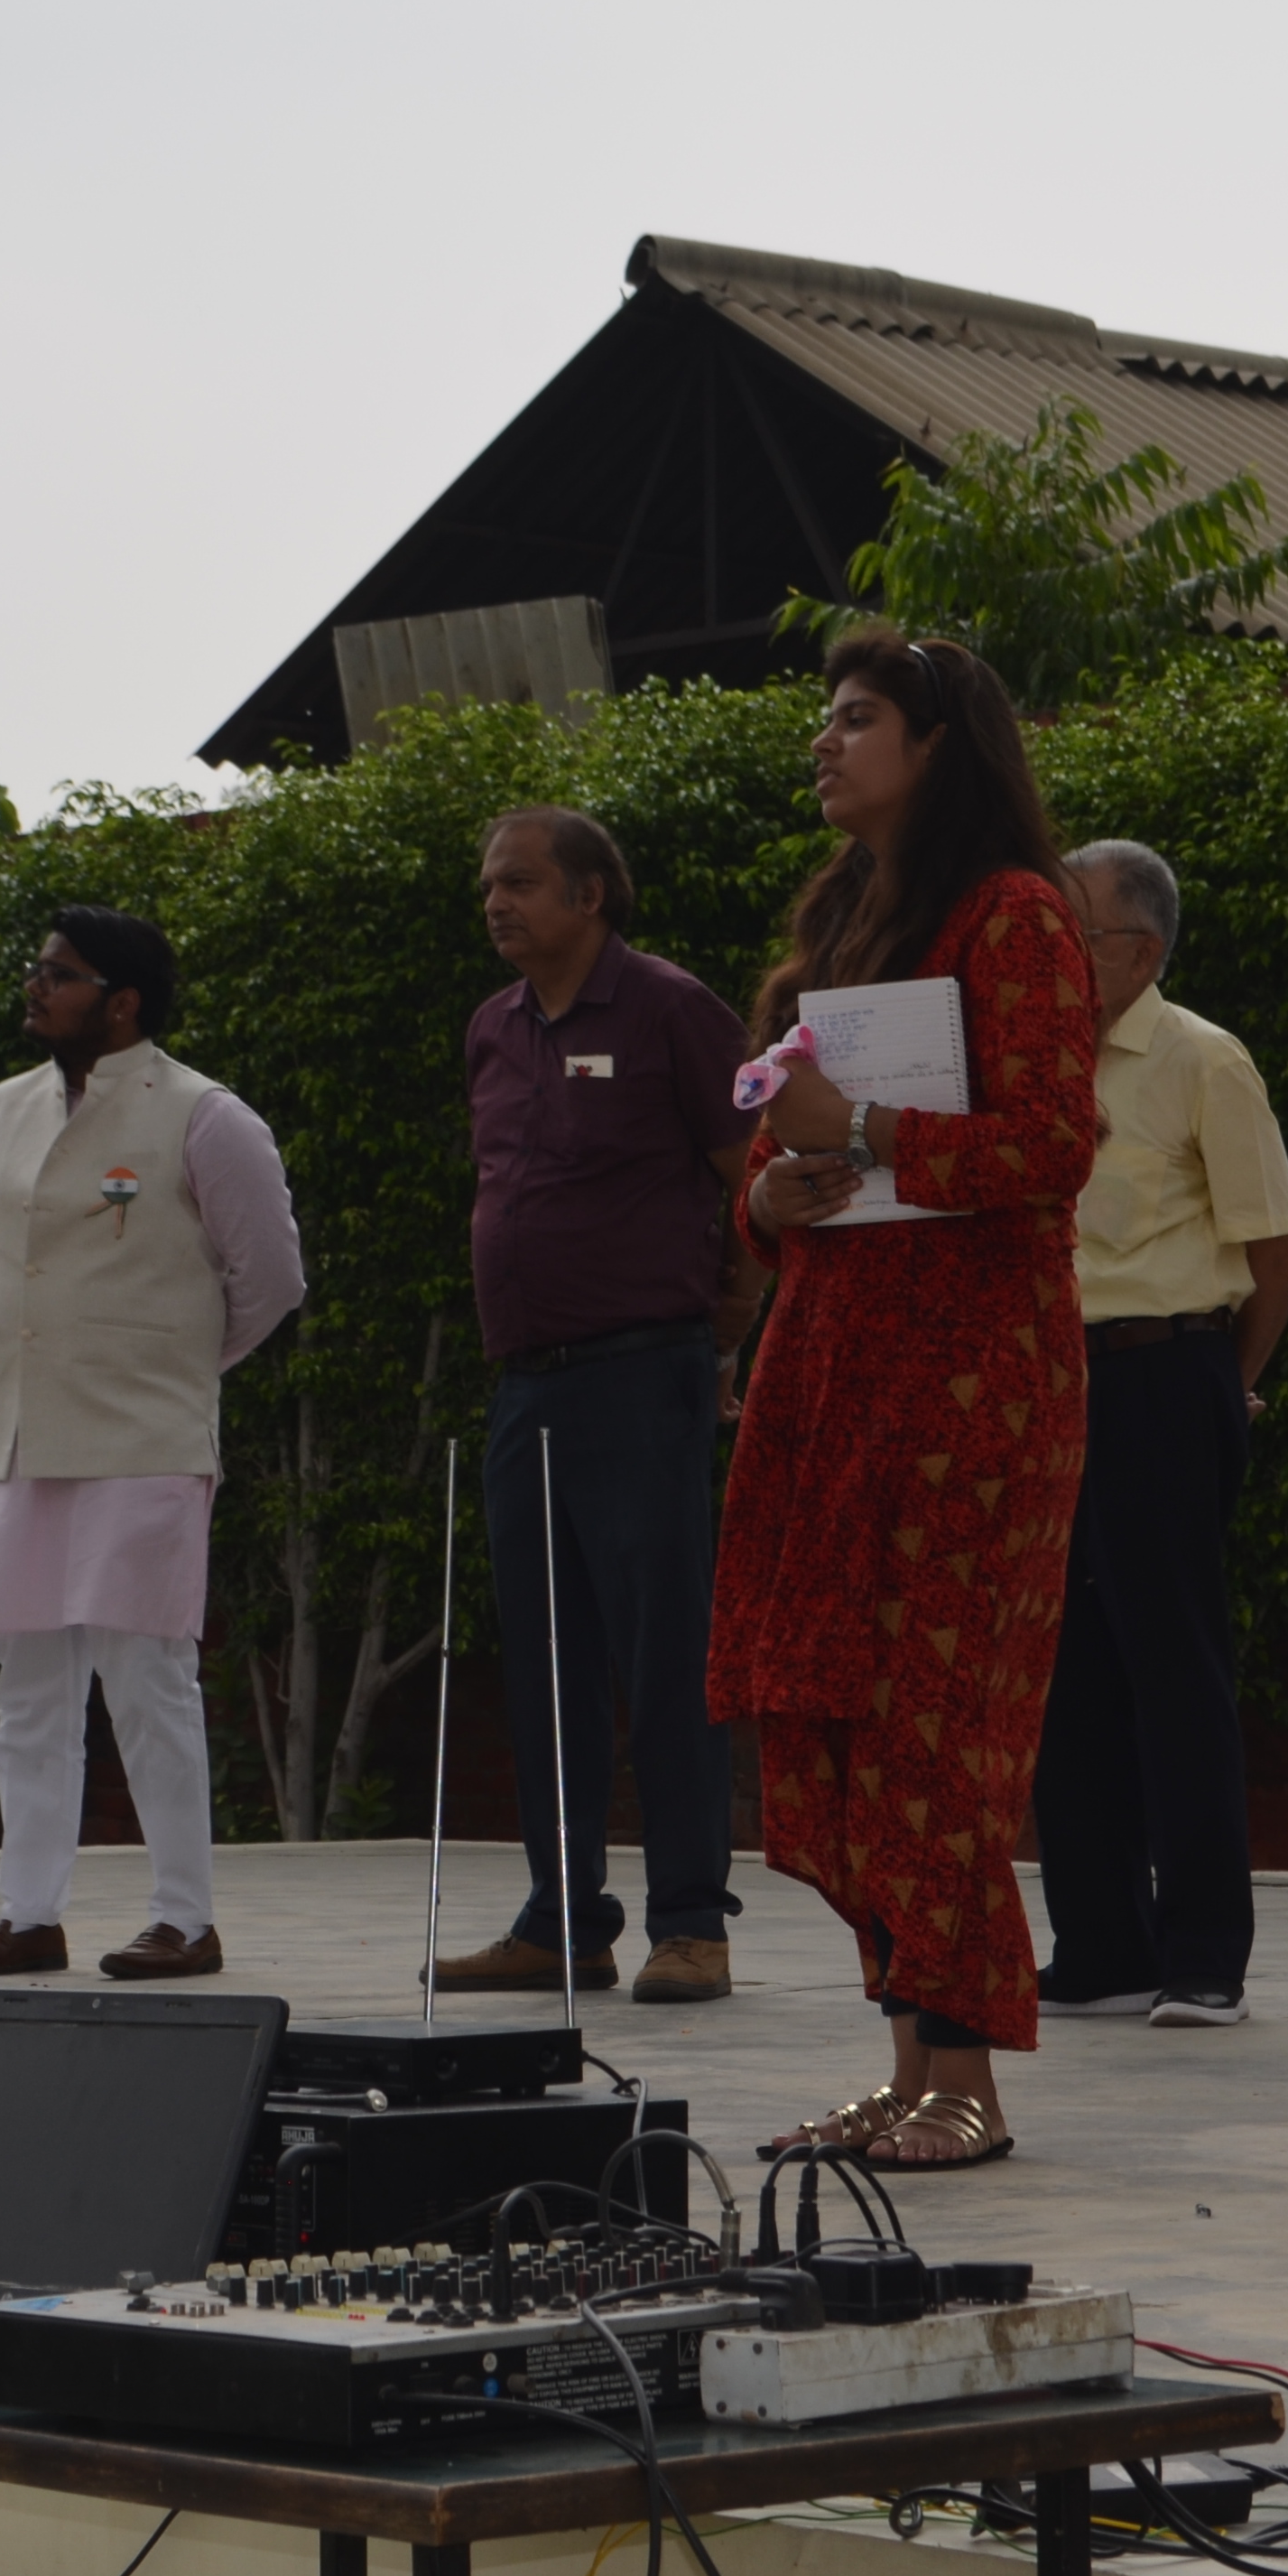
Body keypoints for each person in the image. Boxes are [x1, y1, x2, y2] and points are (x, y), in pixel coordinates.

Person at [716, 632, 1098, 2171]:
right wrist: (773, 1195)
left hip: (969, 1385)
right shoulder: (845, 916)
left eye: (856, 718)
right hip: (832, 1365)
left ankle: (968, 2081)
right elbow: (778, 1150)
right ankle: (903, 2068)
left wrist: (862, 1130)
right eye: (825, 717)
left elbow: (1052, 1145)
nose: (824, 741)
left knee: (938, 1726)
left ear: (939, 743)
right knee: (842, 1717)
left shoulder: (1013, 915)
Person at [0, 907, 305, 1985]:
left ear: (123, 1002)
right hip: (11, 1432)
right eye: (39, 968)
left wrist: (171, 1364)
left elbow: (270, 1281)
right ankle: (27, 1916)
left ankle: (184, 1918)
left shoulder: (204, 1115)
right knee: (27, 1688)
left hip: (142, 1435)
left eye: (61, 974)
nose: (36, 986)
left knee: (148, 1679)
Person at [427, 806, 767, 2007]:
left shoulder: (671, 1009)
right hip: (527, 1383)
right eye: (488, 884)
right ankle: (562, 1921)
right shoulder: (492, 1028)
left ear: (591, 896)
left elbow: (756, 1185)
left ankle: (691, 1923)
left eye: (520, 882)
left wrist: (722, 1337)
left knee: (665, 1654)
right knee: (546, 1661)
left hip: (643, 1373)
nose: (495, 902)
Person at [1029, 838, 1288, 2029]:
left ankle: (1202, 1950)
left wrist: (1220, 1386)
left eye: (1071, 931)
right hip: (1047, 1386)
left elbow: (1275, 1248)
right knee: (1058, 1671)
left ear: (1137, 952)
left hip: (1160, 1373)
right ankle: (1100, 1941)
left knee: (1173, 1667)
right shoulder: (1029, 1064)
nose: (1047, 952)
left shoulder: (1202, 1058)